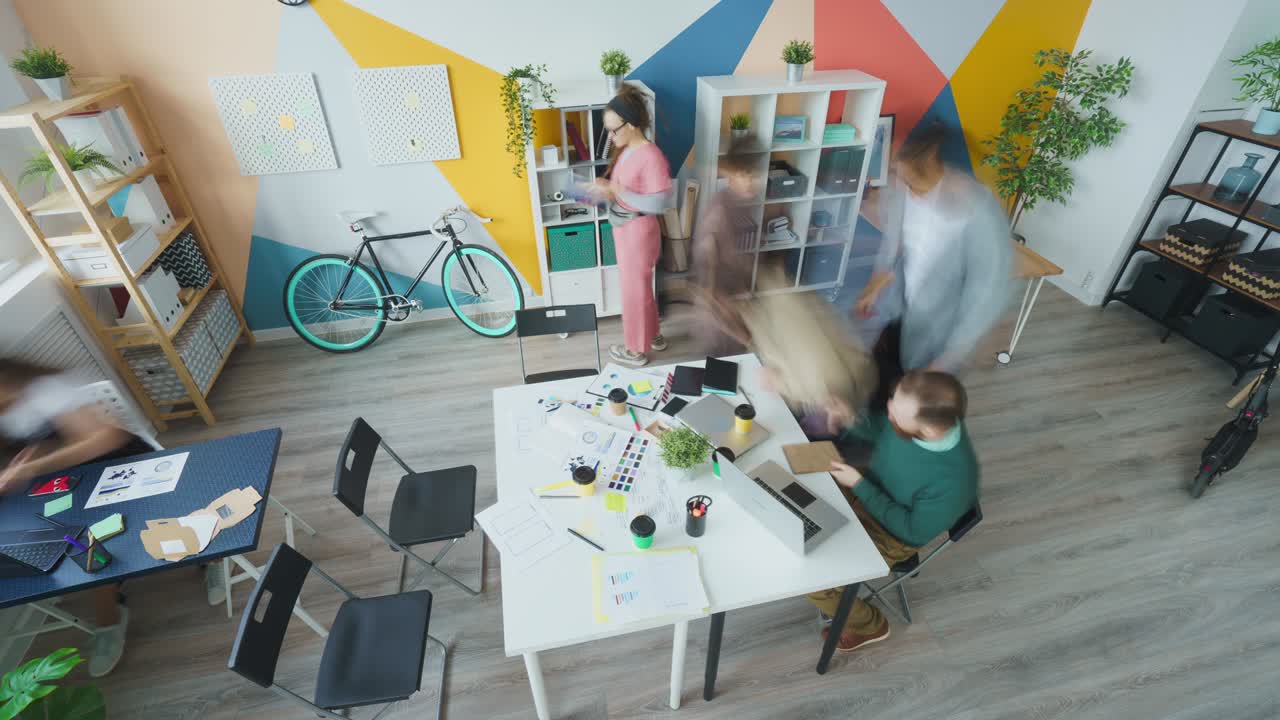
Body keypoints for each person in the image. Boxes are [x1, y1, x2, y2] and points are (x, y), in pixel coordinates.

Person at [807, 370, 979, 654]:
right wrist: (851, 418)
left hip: (893, 533)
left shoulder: (954, 482)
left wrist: (860, 486)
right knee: (804, 484)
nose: (888, 409)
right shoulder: (918, 424)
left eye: (897, 410)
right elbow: (886, 429)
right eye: (893, 401)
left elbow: (910, 530)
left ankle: (870, 626)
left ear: (929, 431)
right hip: (872, 486)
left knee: (816, 581)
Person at [0, 359, 152, 677]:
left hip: (119, 467)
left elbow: (105, 438)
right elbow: (40, 447)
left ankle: (109, 621)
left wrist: (33, 466)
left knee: (88, 539)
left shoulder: (46, 391)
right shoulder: (7, 413)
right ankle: (110, 612)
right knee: (75, 540)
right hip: (67, 485)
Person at [855, 125, 1012, 408]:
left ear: (939, 166)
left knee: (915, 406)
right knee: (880, 383)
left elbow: (987, 293)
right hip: (900, 313)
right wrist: (877, 283)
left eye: (913, 181)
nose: (907, 191)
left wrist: (950, 358)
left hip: (939, 335)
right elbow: (896, 241)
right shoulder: (905, 187)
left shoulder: (978, 213)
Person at [590, 85, 672, 367]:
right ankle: (654, 335)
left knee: (633, 291)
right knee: (639, 287)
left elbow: (659, 203)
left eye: (614, 130)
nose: (610, 138)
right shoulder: (627, 150)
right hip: (627, 229)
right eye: (608, 131)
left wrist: (615, 191)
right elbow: (624, 189)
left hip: (638, 232)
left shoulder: (651, 156)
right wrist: (605, 190)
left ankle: (635, 350)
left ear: (633, 124)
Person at [689, 139, 759, 356]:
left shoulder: (738, 204)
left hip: (736, 303)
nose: (750, 182)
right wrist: (740, 332)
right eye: (742, 174)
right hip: (720, 317)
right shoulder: (720, 211)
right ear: (729, 174)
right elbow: (706, 271)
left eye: (753, 175)